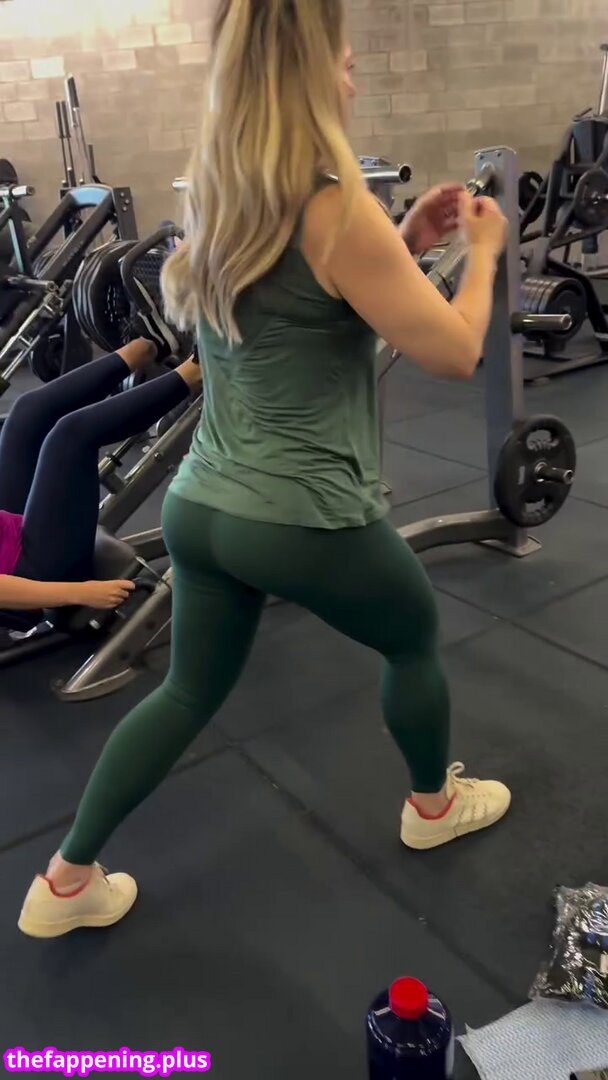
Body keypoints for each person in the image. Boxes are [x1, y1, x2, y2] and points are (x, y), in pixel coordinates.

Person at [18, 0, 511, 940]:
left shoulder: (223, 198)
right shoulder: (335, 206)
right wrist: (483, 255)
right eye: (347, 63)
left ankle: (65, 881)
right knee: (412, 638)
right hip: (297, 512)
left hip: (201, 505)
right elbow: (455, 350)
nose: (355, 78)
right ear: (307, 76)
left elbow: (308, 299)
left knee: (188, 690)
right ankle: (434, 806)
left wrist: (409, 243)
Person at [0, 339, 201, 616]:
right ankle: (197, 371)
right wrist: (80, 592)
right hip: (31, 573)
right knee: (69, 437)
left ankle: (145, 345)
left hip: (7, 535)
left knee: (27, 415)